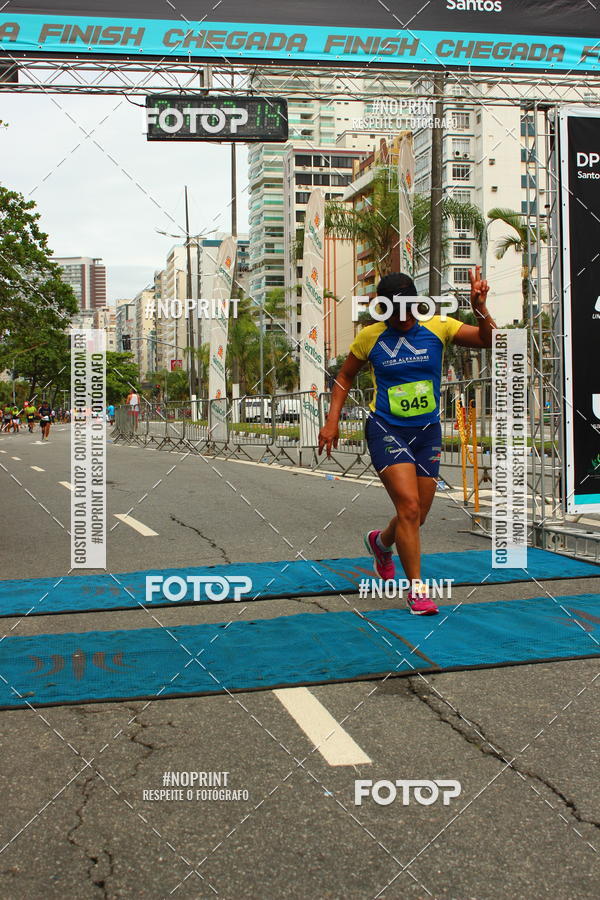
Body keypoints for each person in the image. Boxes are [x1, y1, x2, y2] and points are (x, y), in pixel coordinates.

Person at [318, 267, 496, 616]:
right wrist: (331, 420)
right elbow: (345, 376)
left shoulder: (439, 327)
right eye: (393, 308)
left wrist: (479, 307)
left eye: (408, 306)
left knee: (418, 515)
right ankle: (417, 591)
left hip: (426, 430)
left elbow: (489, 339)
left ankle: (381, 543)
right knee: (410, 508)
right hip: (386, 428)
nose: (403, 315)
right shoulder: (370, 337)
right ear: (382, 308)